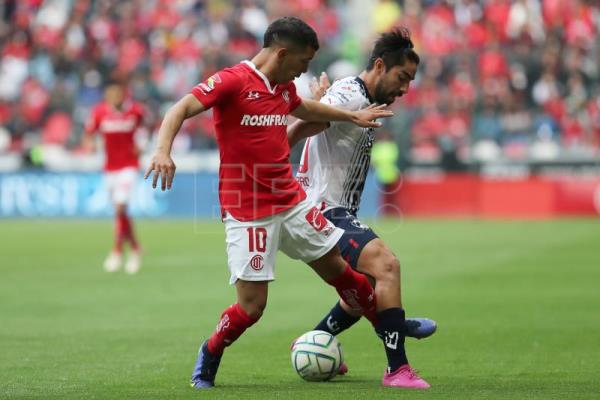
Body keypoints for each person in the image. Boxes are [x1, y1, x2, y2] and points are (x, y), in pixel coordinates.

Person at [144, 17, 394, 390]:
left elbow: (306, 110)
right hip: (248, 212)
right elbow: (178, 109)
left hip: (291, 201)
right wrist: (162, 151)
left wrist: (351, 115)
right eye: (303, 62)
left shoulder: (282, 87)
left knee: (344, 275)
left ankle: (393, 332)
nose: (304, 70)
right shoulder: (231, 81)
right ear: (281, 52)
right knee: (251, 307)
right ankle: (210, 353)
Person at [288, 28, 433, 389]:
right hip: (323, 210)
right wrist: (319, 112)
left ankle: (315, 341)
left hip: (332, 209)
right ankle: (397, 368)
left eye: (411, 81)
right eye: (402, 77)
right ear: (380, 65)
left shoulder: (358, 95)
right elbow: (294, 131)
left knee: (363, 289)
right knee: (387, 265)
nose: (405, 89)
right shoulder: (350, 95)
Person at [84, 82, 144, 274]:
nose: (114, 98)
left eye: (117, 94)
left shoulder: (135, 111)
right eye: (111, 95)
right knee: (120, 212)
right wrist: (90, 144)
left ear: (123, 95)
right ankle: (135, 248)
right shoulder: (99, 112)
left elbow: (145, 130)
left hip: (129, 166)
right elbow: (89, 134)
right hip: (110, 168)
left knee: (120, 206)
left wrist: (142, 145)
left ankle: (117, 251)